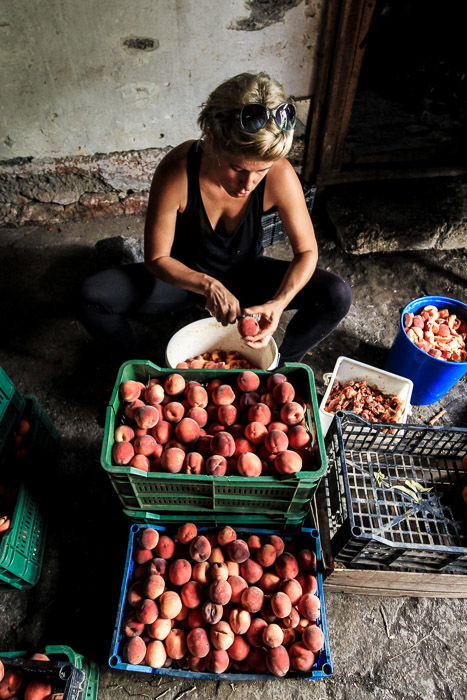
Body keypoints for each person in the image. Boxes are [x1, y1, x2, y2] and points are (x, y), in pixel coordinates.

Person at [79, 72, 351, 363]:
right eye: (237, 168)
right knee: (91, 297)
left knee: (336, 294)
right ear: (211, 139)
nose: (248, 184)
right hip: (183, 280)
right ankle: (144, 365)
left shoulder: (280, 174)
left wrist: (278, 301)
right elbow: (157, 259)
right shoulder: (178, 170)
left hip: (247, 275)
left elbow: (307, 251)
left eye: (260, 171)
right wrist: (207, 285)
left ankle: (281, 367)